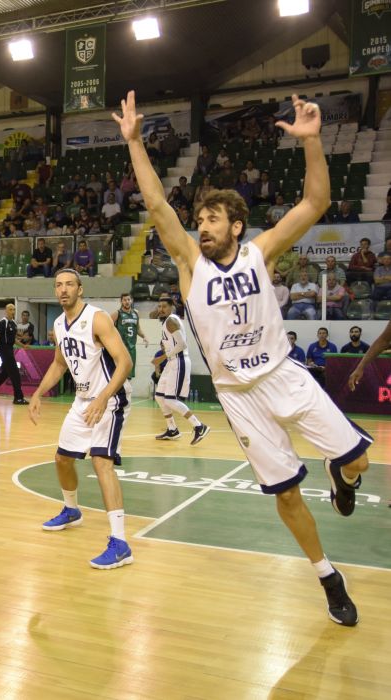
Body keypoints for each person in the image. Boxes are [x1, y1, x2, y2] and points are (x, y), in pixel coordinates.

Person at [116, 90, 372, 626]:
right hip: (239, 396)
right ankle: (328, 576)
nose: (201, 226)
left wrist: (312, 141)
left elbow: (315, 203)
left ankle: (342, 474)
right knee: (286, 495)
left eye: (212, 219)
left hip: (284, 375)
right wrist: (135, 142)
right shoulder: (191, 263)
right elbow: (158, 206)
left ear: (236, 226)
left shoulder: (260, 253)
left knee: (359, 462)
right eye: (199, 219)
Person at [28, 269, 133, 569]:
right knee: (62, 459)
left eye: (69, 284)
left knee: (101, 463)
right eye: (58, 285)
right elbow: (59, 364)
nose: (63, 290)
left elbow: (125, 362)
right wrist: (37, 393)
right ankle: (72, 510)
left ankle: (121, 543)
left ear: (80, 289)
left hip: (111, 399)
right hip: (83, 401)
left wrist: (103, 398)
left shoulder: (97, 319)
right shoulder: (59, 324)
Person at [152, 295, 209, 444]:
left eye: (164, 306)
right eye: (159, 306)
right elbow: (153, 317)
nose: (161, 309)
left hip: (179, 361)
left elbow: (182, 344)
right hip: (172, 362)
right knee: (159, 396)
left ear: (171, 307)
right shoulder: (168, 321)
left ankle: (199, 426)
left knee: (170, 400)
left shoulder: (171, 321)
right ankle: (172, 430)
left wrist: (162, 357)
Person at [110, 293, 148, 379]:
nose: (127, 302)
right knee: (119, 373)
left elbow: (137, 328)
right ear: (121, 301)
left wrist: (144, 336)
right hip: (121, 347)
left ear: (131, 301)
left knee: (129, 374)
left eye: (128, 300)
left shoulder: (136, 313)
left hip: (132, 347)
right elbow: (107, 326)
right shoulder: (117, 313)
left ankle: (125, 387)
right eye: (124, 300)